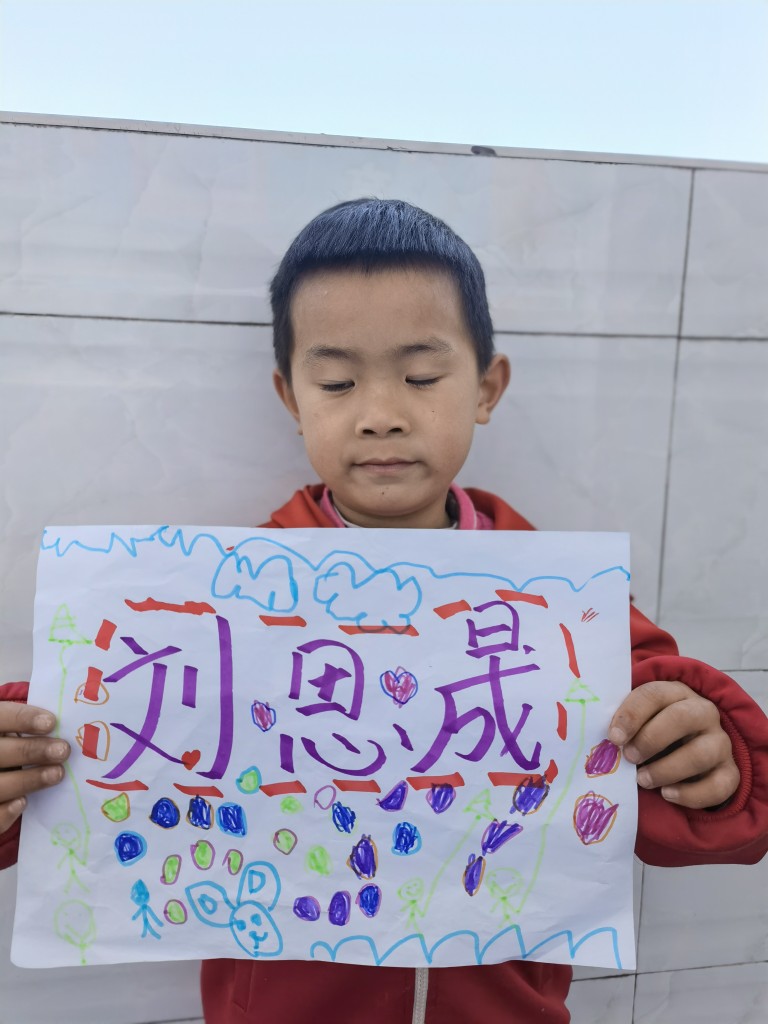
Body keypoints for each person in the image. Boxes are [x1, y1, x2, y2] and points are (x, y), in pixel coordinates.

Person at [1, 198, 767, 1024]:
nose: (380, 415)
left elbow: (691, 795)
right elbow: (93, 741)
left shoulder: (565, 609)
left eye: (422, 376)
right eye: (337, 382)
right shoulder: (219, 608)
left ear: (487, 387)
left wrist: (707, 760)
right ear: (291, 398)